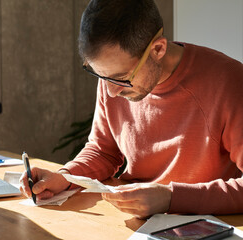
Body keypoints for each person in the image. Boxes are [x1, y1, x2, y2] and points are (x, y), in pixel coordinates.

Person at [20, 0, 243, 219]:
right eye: (100, 76)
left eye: (122, 78)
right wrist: (65, 176)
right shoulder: (113, 77)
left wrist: (170, 198)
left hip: (202, 226)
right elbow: (103, 151)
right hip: (130, 222)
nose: (110, 92)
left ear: (158, 49)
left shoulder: (228, 82)